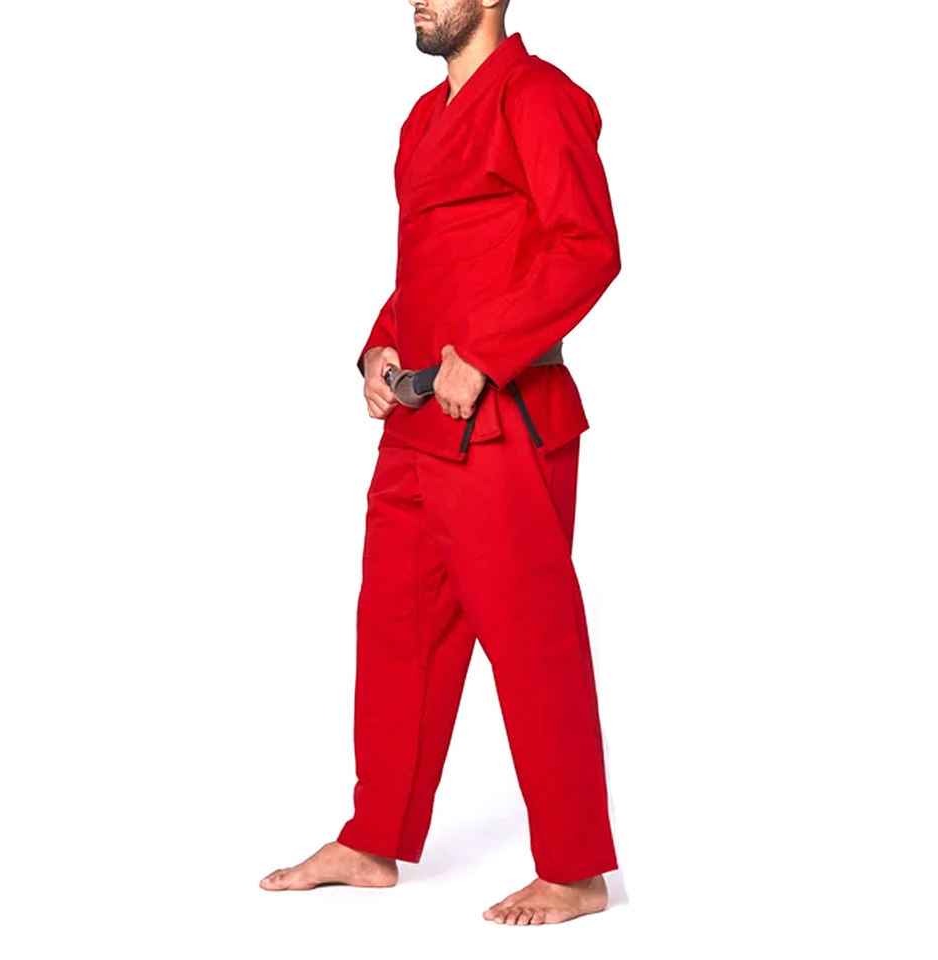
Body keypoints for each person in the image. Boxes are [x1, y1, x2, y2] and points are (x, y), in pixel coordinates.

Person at [260, 0, 622, 926]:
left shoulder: (539, 98)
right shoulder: (423, 119)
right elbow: (430, 268)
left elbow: (587, 247)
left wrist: (488, 352)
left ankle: (577, 870)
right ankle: (372, 838)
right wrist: (379, 349)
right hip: (418, 422)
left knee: (532, 643)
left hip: (503, 422)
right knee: (393, 631)